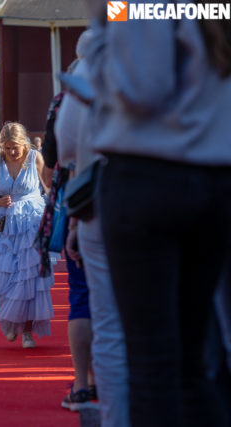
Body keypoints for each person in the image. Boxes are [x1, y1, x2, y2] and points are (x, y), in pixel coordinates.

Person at [84, 1, 231, 424]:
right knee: (190, 364)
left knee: (153, 369)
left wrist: (99, 24)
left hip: (147, 177)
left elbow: (141, 90)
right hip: (212, 178)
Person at [55, 31, 123, 418]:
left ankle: (99, 397)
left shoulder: (86, 79)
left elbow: (66, 151)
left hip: (102, 203)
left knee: (101, 310)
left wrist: (74, 225)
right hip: (194, 198)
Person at [0, 122, 54, 349]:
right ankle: (11, 321)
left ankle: (27, 331)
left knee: (29, 277)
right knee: (5, 277)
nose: (12, 152)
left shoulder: (35, 158)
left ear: (25, 143)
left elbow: (49, 188)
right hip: (4, 227)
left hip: (31, 225)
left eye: (16, 147)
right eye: (7, 147)